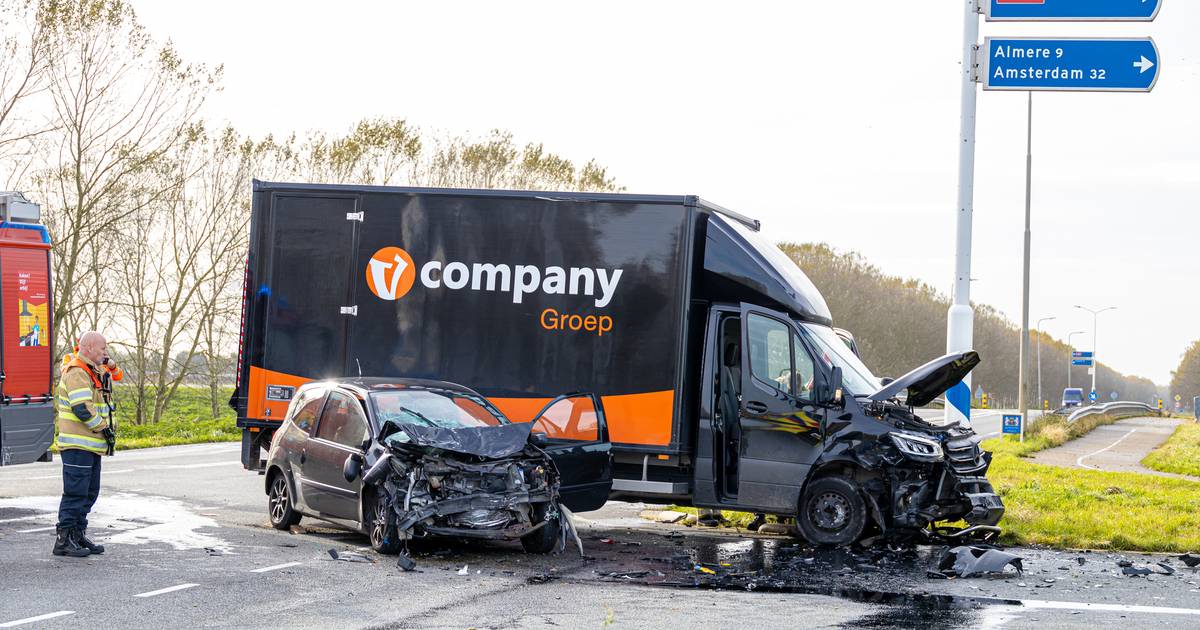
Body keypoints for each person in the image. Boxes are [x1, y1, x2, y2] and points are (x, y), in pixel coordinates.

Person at [52, 331, 118, 558]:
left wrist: (108, 362)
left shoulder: (93, 370)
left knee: (89, 492)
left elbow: (116, 375)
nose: (105, 353)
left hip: (91, 446)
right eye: (102, 349)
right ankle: (63, 541)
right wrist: (103, 428)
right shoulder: (77, 372)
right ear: (88, 347)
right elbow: (82, 408)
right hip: (78, 446)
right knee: (75, 493)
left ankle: (77, 535)